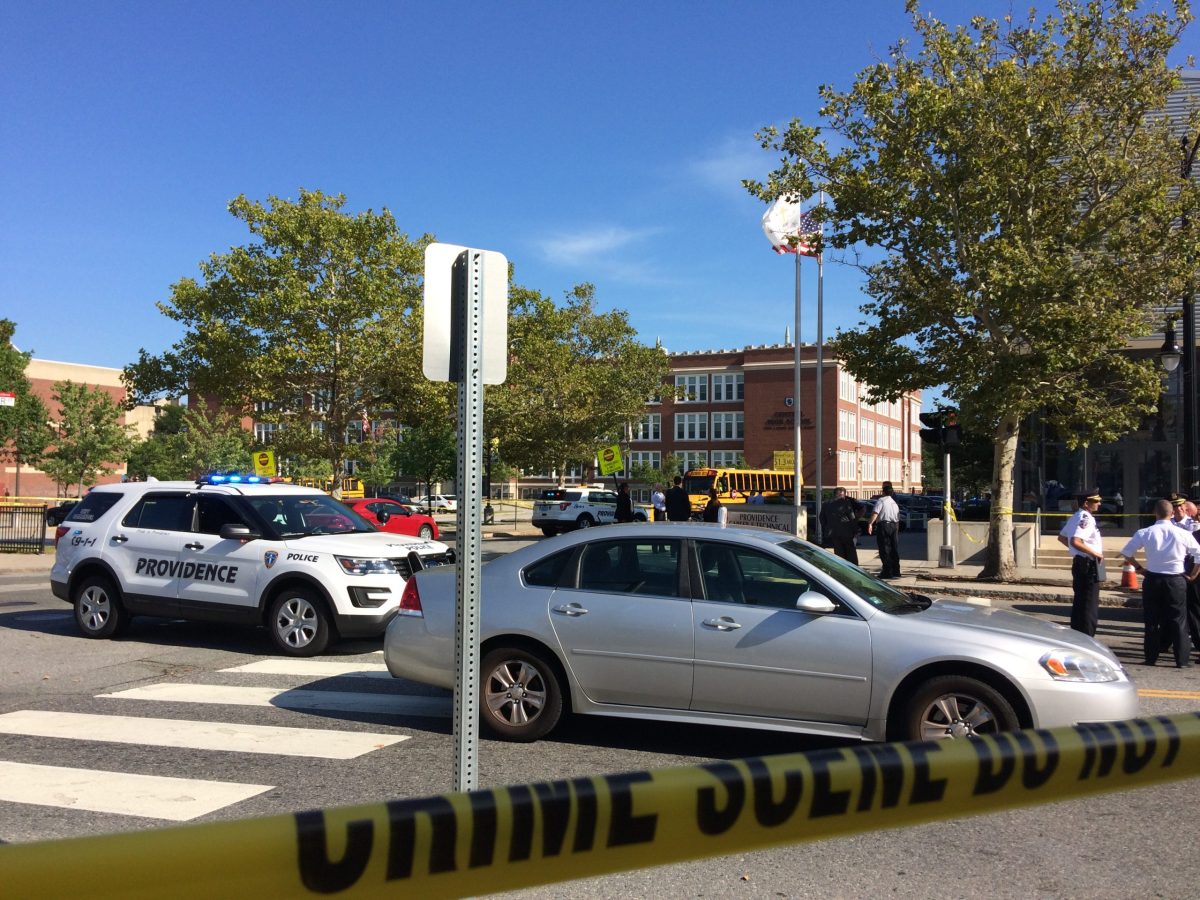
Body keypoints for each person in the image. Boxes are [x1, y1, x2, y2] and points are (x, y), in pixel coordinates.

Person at [1121, 498, 1200, 668]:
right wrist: (1193, 574)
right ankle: (1181, 660)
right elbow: (1198, 553)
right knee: (1178, 620)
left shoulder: (1145, 532)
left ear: (1155, 513)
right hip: (1176, 578)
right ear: (1172, 513)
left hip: (1153, 578)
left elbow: (1127, 552)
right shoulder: (1182, 533)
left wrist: (1139, 568)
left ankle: (1151, 657)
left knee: (1152, 620)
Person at [1057, 493, 1105, 636]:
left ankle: (1076, 636)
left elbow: (1062, 537)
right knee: (1089, 607)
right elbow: (1075, 541)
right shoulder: (1086, 518)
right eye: (1096, 501)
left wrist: (1078, 552)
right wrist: (1094, 554)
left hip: (1080, 563)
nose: (1099, 504)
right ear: (1086, 503)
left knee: (1080, 604)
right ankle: (1087, 638)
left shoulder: (1076, 516)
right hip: (1088, 565)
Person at [867, 481, 902, 578]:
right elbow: (898, 517)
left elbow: (875, 513)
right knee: (894, 549)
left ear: (883, 492)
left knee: (884, 549)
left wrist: (870, 523)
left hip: (884, 526)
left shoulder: (881, 500)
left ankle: (887, 572)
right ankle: (896, 570)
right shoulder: (894, 503)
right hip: (894, 525)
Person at [819, 486, 861, 564]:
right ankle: (853, 567)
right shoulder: (845, 503)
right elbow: (852, 518)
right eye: (843, 494)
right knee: (850, 552)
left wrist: (826, 528)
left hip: (833, 533)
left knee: (838, 552)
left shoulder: (826, 503)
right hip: (846, 532)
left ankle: (841, 566)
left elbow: (822, 518)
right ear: (841, 494)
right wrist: (856, 530)